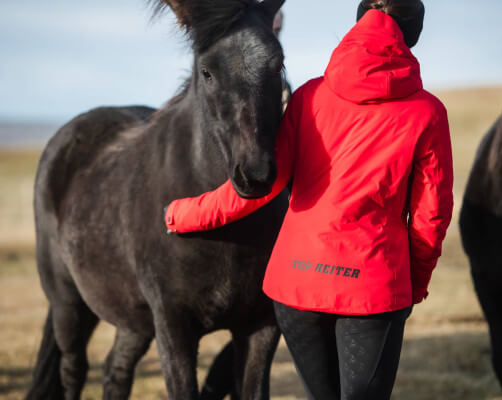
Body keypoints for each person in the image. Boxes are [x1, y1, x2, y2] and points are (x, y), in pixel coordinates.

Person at [165, 0, 453, 398]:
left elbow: (258, 188)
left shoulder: (308, 97)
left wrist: (184, 213)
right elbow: (430, 217)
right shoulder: (428, 112)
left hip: (296, 290)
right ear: (411, 35)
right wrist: (412, 284)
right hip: (371, 292)